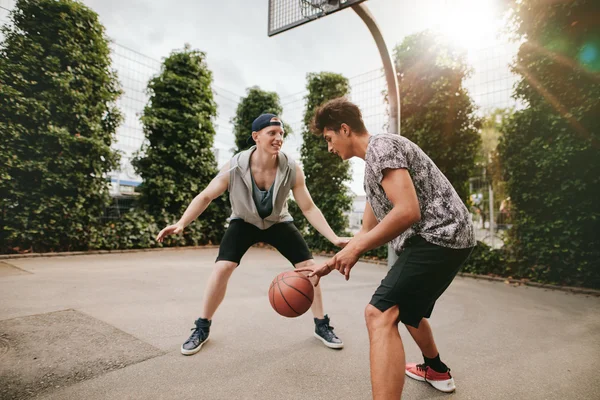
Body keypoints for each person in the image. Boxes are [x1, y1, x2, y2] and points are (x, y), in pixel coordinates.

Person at [297, 98, 475, 398]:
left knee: (378, 313)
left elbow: (407, 211)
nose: (329, 147)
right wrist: (327, 265)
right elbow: (366, 231)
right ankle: (436, 369)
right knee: (408, 310)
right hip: (444, 238)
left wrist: (356, 250)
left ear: (344, 129)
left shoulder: (382, 146)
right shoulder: (372, 171)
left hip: (439, 236)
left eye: (329, 139)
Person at [156, 113, 346, 356]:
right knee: (222, 268)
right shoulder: (235, 166)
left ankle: (321, 325)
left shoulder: (292, 168)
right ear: (256, 137)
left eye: (281, 134)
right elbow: (206, 196)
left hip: (278, 221)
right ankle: (202, 327)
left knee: (309, 267)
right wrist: (182, 223)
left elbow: (308, 207)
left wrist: (335, 238)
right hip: (244, 221)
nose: (278, 139)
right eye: (272, 133)